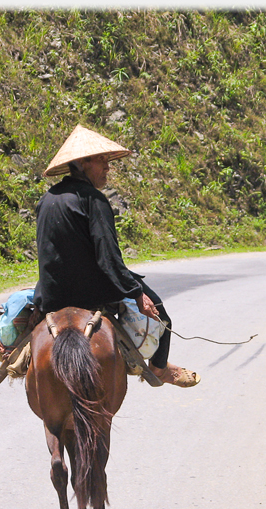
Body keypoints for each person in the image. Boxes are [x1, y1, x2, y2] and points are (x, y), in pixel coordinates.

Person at [33, 124, 200, 387]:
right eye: (102, 161)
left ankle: (16, 353)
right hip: (89, 292)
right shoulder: (93, 199)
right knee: (162, 315)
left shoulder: (46, 199)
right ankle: (159, 368)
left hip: (50, 294)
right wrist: (135, 292)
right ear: (82, 162)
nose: (108, 167)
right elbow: (108, 258)